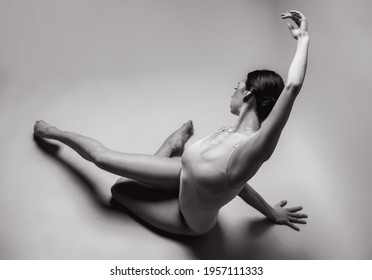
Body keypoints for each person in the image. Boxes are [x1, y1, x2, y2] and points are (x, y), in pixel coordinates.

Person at [34, 10, 309, 236]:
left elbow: (293, 86)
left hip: (187, 218)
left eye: (237, 86)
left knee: (118, 188)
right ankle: (55, 133)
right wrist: (270, 211)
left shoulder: (254, 149)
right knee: (103, 158)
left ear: (248, 93)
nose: (232, 90)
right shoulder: (229, 131)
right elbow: (240, 187)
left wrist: (302, 38)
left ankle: (170, 145)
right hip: (183, 174)